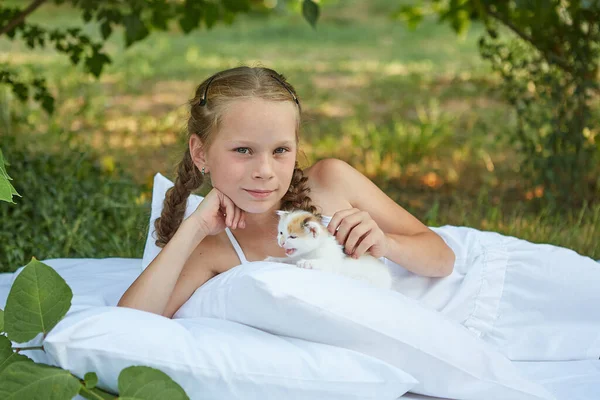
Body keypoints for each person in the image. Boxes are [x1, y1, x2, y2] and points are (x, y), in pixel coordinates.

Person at [117, 65, 456, 319]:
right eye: (243, 151)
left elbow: (442, 259)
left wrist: (387, 243)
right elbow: (131, 320)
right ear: (201, 153)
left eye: (280, 151)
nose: (264, 171)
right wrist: (193, 228)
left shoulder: (331, 182)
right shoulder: (214, 247)